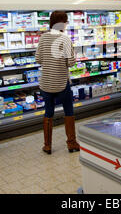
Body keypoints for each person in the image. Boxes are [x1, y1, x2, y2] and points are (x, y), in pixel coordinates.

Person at [35, 11, 80, 155]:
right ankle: (71, 143)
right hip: (61, 82)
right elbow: (71, 63)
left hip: (46, 82)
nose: (66, 24)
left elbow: (38, 59)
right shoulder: (65, 39)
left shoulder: (43, 38)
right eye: (66, 22)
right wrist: (75, 56)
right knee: (68, 111)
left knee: (48, 112)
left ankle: (47, 146)